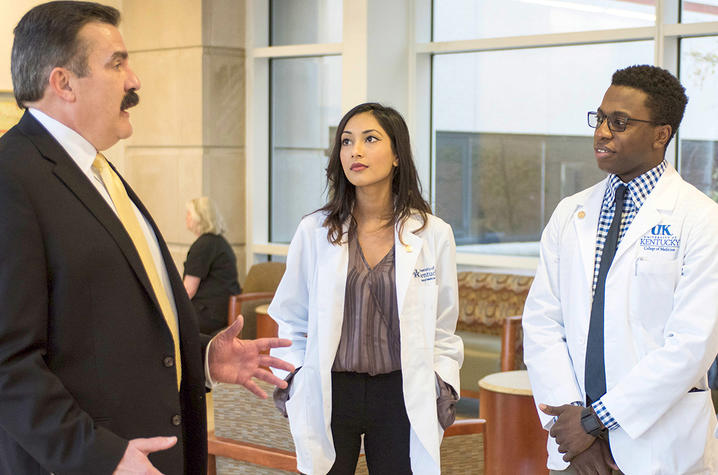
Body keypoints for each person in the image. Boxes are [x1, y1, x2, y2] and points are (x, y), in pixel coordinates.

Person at [0, 2, 293, 474]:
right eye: (117, 63)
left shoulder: (98, 171)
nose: (134, 80)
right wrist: (102, 457)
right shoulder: (12, 177)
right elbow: (7, 364)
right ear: (63, 83)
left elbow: (107, 325)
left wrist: (199, 356)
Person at [522, 64, 718, 474]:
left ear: (661, 134)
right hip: (574, 448)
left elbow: (690, 346)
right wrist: (575, 431)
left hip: (662, 449)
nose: (602, 132)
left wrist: (596, 421)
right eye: (600, 118)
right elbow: (542, 323)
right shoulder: (570, 213)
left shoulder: (701, 220)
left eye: (620, 122)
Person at [268, 102, 463, 475]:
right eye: (346, 141)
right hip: (331, 391)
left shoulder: (433, 234)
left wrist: (443, 383)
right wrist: (295, 376)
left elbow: (443, 326)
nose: (354, 151)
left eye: (369, 139)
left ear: (396, 156)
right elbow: (290, 318)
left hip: (400, 394)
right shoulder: (315, 231)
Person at [183, 196, 242, 336]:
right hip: (221, 311)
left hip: (208, 314)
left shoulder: (203, 245)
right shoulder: (218, 242)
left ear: (199, 218)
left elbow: (188, 291)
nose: (186, 217)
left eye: (189, 213)